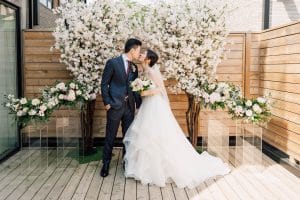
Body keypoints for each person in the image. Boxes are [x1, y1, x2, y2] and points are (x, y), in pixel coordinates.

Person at [123, 49, 231, 188]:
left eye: (143, 53)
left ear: (148, 59)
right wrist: (141, 90)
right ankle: (146, 168)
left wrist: (145, 91)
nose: (141, 54)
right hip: (147, 106)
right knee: (147, 135)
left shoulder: (151, 71)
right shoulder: (143, 72)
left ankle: (160, 169)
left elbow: (161, 89)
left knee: (156, 135)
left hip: (155, 106)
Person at [100, 38, 142, 177]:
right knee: (110, 136)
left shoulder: (134, 67)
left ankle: (126, 162)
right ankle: (105, 164)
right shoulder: (113, 63)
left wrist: (139, 105)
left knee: (127, 137)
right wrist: (107, 103)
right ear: (132, 50)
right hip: (114, 106)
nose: (139, 53)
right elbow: (104, 84)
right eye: (138, 50)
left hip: (129, 107)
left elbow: (134, 87)